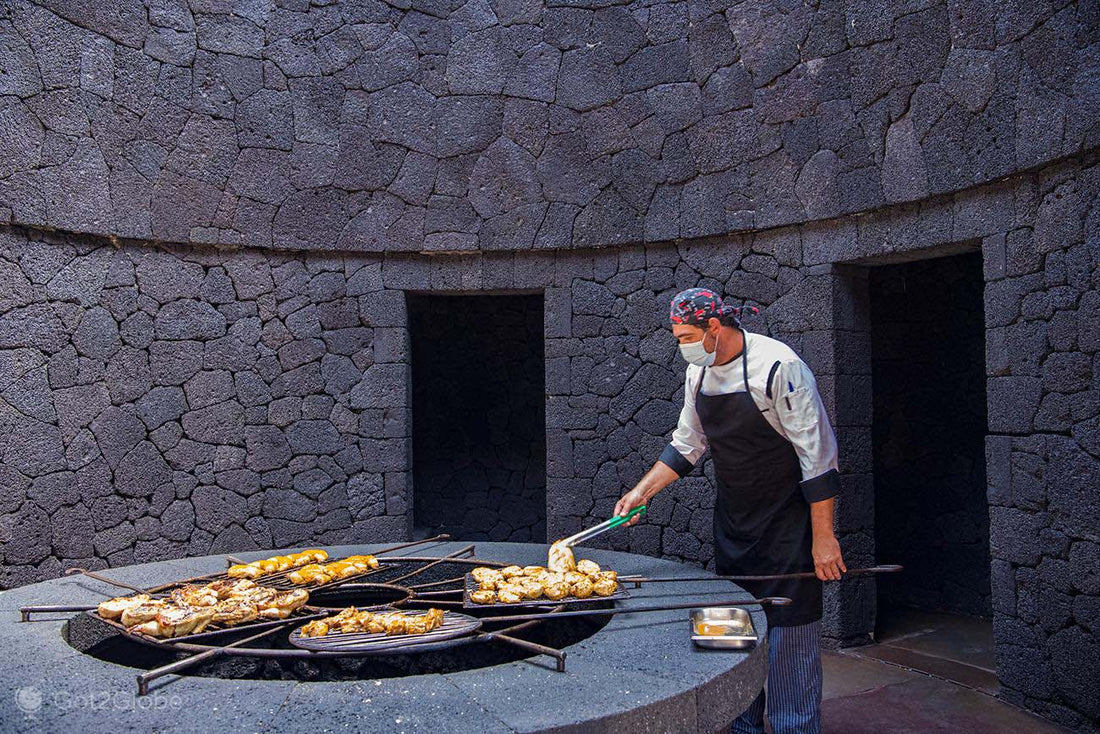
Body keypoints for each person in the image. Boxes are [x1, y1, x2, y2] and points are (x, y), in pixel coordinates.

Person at [614, 287, 846, 734]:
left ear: (714, 328)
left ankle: (795, 726)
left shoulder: (779, 366)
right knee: (731, 631)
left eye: (685, 336)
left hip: (788, 526)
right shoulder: (697, 374)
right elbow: (687, 444)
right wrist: (642, 492)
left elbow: (819, 458)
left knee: (788, 638)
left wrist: (824, 538)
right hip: (734, 523)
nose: (681, 344)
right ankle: (740, 724)